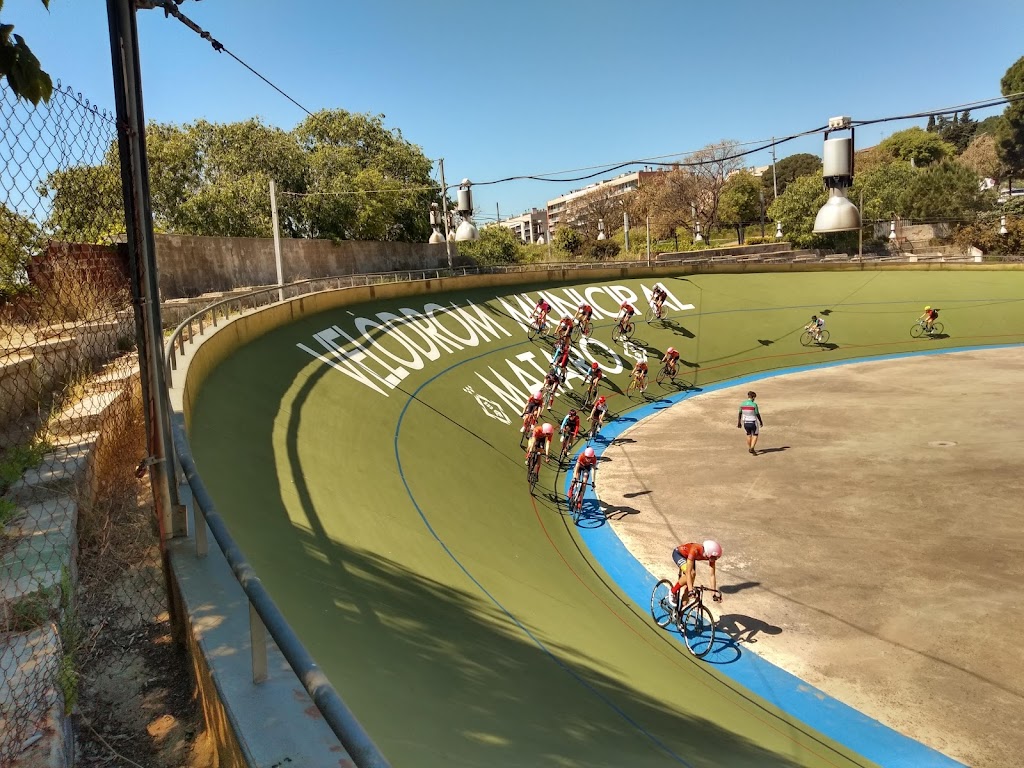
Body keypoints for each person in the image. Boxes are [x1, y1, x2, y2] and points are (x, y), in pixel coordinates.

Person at [669, 540, 722, 608]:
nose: (714, 559)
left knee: (688, 591)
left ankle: (680, 611)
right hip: (679, 554)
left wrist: (713, 593)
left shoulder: (710, 556)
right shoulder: (695, 549)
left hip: (690, 558)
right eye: (713, 557)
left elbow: (712, 575)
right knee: (691, 574)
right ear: (708, 552)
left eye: (716, 558)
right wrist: (691, 591)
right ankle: (673, 591)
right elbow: (688, 572)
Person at [737, 390, 764, 455]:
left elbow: (740, 413)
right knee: (755, 435)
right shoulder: (754, 405)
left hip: (745, 422)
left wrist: (739, 422)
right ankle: (752, 447)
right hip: (753, 422)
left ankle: (750, 448)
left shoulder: (742, 404)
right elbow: (757, 414)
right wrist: (761, 422)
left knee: (748, 435)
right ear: (753, 397)